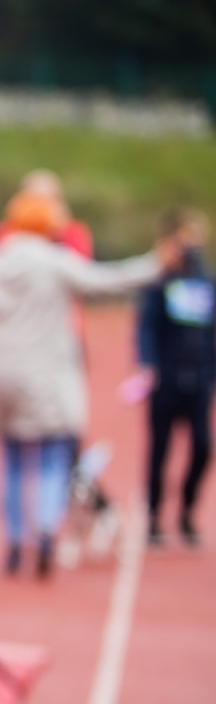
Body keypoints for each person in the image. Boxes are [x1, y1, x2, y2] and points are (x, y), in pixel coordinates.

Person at [0, 191, 175, 576]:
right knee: (53, 455)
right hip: (46, 371)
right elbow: (104, 281)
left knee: (13, 458)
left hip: (2, 371)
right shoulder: (52, 262)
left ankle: (17, 538)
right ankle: (48, 530)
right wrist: (155, 264)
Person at [137, 208, 214, 547]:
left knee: (202, 446)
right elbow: (147, 327)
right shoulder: (161, 283)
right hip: (166, 379)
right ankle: (153, 515)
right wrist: (148, 363)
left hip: (199, 379)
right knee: (160, 450)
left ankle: (186, 511)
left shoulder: (207, 284)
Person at [0, 169, 93, 260]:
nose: (40, 206)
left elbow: (81, 266)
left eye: (47, 199)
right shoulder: (7, 231)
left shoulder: (73, 232)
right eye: (34, 199)